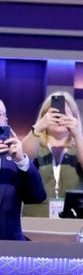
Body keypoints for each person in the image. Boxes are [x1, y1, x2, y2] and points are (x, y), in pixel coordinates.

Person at [21, 91, 83, 217]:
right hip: (35, 219)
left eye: (65, 114)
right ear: (44, 117)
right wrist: (38, 128)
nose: (59, 118)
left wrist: (78, 135)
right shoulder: (35, 145)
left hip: (73, 219)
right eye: (54, 114)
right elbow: (22, 159)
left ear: (75, 118)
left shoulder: (81, 148)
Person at [0, 99, 46, 240]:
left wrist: (22, 161)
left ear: (5, 122)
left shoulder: (14, 161)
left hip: (9, 253)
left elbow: (37, 196)